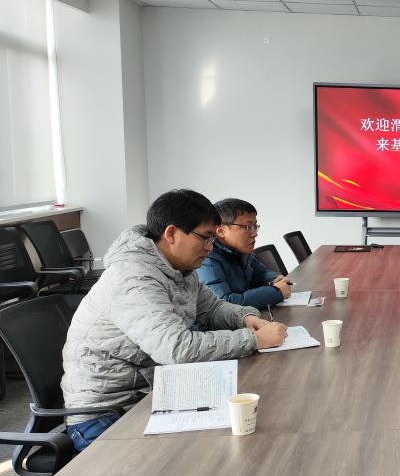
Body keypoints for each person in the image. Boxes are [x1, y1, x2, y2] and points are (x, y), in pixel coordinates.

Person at [61, 189, 287, 451]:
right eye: (205, 237)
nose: (210, 247)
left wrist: (245, 318)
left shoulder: (179, 267)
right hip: (105, 413)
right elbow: (176, 349)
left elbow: (212, 307)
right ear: (171, 234)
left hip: (153, 391)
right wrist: (253, 339)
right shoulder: (133, 278)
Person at [197, 198, 291, 308]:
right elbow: (223, 304)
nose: (255, 233)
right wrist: (276, 292)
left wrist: (274, 279)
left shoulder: (242, 251)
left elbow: (261, 273)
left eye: (255, 227)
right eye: (248, 227)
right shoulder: (207, 259)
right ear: (221, 231)